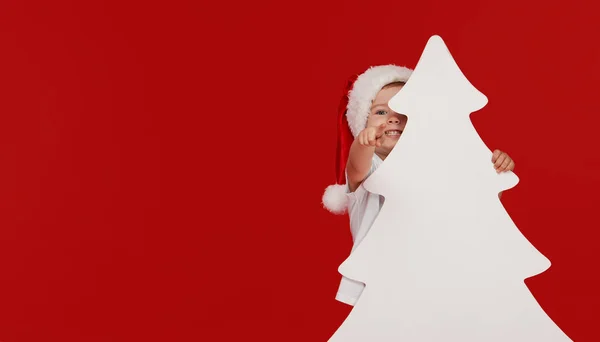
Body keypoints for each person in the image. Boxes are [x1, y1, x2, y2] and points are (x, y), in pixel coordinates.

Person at [322, 65, 515, 306]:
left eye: (402, 110)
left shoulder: (435, 165)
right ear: (362, 122)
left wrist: (495, 166)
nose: (393, 118)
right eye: (380, 112)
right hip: (380, 282)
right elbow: (356, 167)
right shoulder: (372, 165)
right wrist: (362, 144)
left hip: (428, 275)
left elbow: (471, 194)